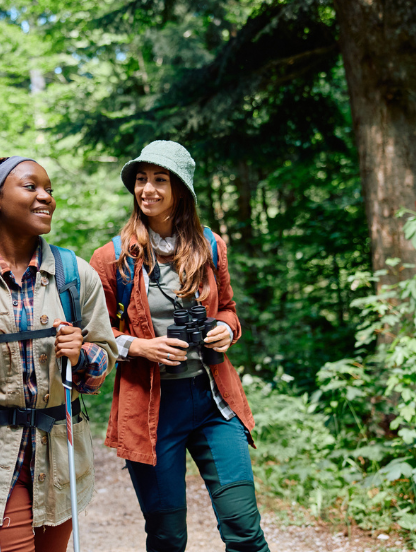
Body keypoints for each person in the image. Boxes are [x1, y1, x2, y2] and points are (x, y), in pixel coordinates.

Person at [0, 156, 117, 552]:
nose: (46, 197)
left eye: (49, 189)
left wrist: (81, 355)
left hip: (60, 453)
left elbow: (102, 361)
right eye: (31, 187)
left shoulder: (74, 274)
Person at [89, 141, 270, 552]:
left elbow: (228, 310)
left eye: (160, 180)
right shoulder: (112, 258)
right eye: (141, 179)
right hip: (151, 408)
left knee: (244, 530)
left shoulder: (210, 246)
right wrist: (140, 347)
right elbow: (95, 333)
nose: (147, 189)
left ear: (181, 189)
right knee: (168, 538)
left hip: (212, 402)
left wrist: (226, 329)